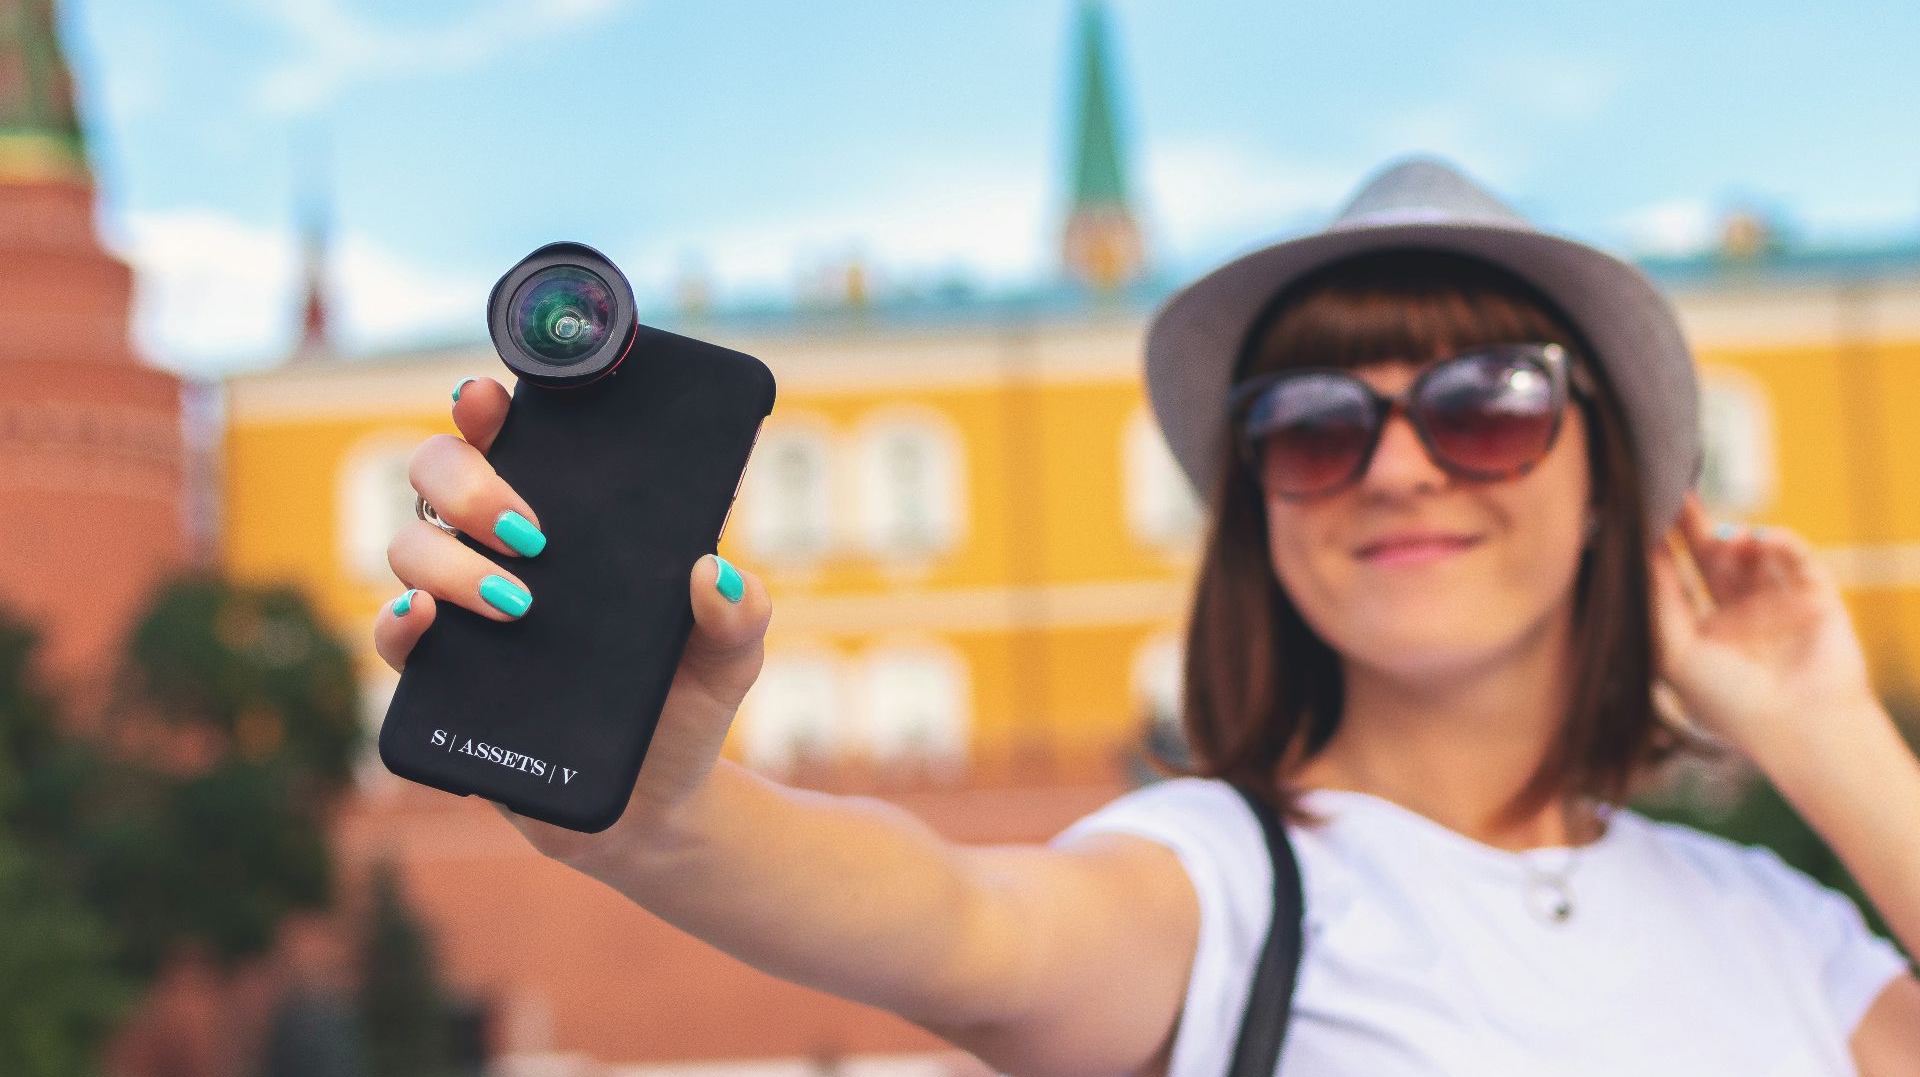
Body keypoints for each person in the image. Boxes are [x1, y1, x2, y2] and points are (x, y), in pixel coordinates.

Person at [373, 156, 1920, 1074]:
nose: (1396, 468)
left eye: (1488, 406)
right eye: (1317, 426)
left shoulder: (1783, 929)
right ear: (1262, 510)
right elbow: (962, 920)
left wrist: (1824, 726)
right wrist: (656, 814)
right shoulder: (1220, 881)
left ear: (1612, 486)